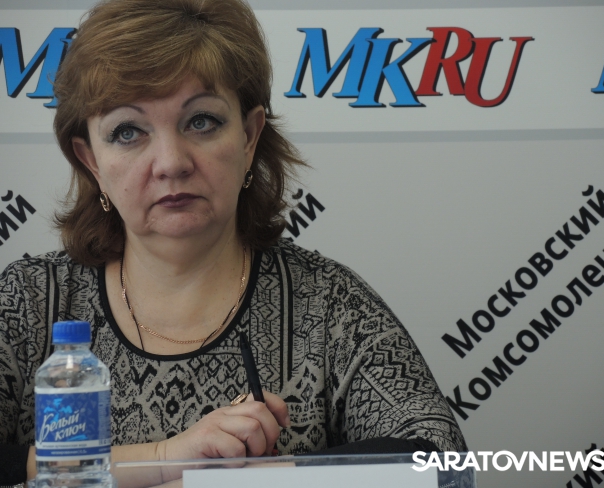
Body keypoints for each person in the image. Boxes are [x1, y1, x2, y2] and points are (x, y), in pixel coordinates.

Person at [0, 0, 466, 484]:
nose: (171, 163)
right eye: (128, 131)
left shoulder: (327, 305)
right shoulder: (31, 301)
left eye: (201, 121)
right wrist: (164, 459)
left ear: (248, 136)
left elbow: (443, 466)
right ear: (91, 160)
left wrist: (242, 481)